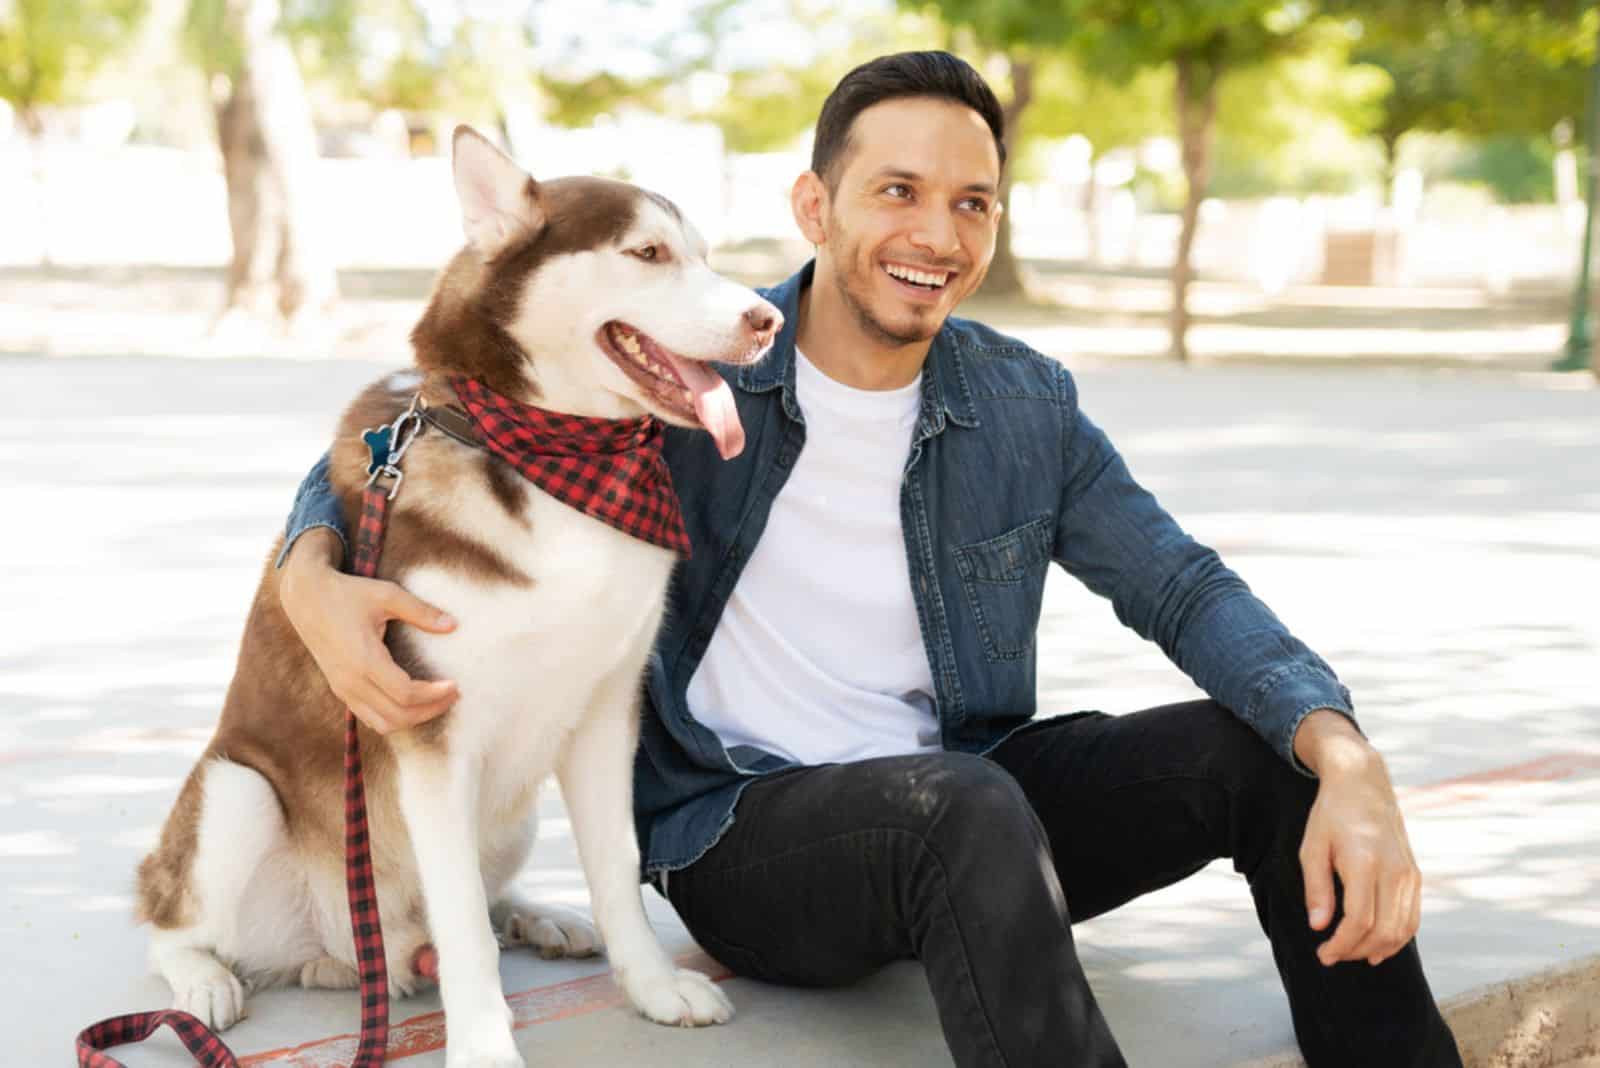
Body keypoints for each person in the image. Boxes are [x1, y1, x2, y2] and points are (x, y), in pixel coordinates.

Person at [276, 51, 1462, 1068]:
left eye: (972, 204)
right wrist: (307, 568)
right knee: (960, 808)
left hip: (969, 797)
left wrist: (1341, 748)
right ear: (815, 205)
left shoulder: (1020, 403)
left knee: (1262, 754)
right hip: (744, 838)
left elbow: (1181, 584)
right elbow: (432, 416)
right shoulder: (690, 376)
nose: (935, 236)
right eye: (897, 191)